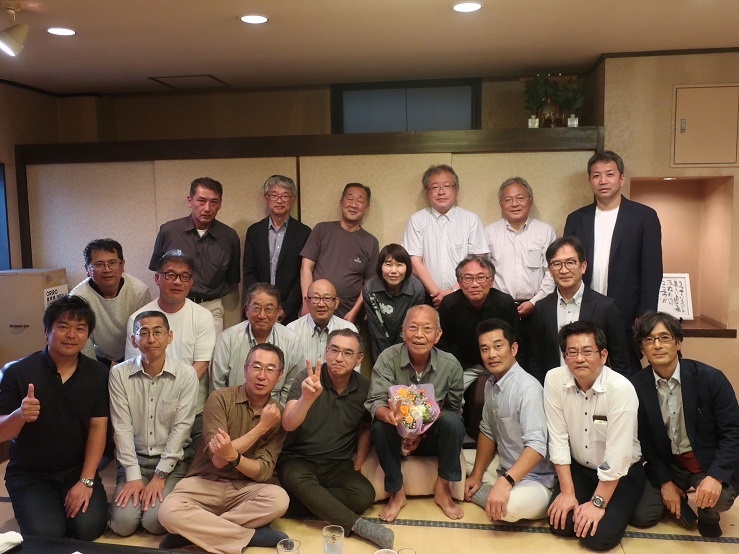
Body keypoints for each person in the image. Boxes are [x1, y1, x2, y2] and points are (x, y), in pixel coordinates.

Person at [158, 344, 290, 553]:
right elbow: (218, 460)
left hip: (245, 488)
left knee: (279, 499)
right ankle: (250, 536)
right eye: (256, 367)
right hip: (205, 482)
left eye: (270, 369)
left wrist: (233, 456)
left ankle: (190, 532)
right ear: (245, 369)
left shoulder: (278, 415)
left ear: (280, 376)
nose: (262, 375)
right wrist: (261, 427)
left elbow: (263, 471)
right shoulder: (220, 398)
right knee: (167, 512)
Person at [0, 295, 108, 540]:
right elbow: (3, 433)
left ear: (88, 335)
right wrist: (20, 415)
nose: (71, 335)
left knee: (89, 528)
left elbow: (98, 429)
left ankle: (57, 508)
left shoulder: (98, 373)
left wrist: (86, 481)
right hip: (30, 474)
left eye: (80, 328)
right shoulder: (17, 372)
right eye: (63, 326)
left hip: (75, 470)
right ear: (47, 331)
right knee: (47, 535)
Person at [279, 329, 394, 551]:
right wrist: (307, 398)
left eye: (348, 353)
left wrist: (359, 461)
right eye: (334, 350)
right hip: (298, 460)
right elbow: (288, 424)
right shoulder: (308, 378)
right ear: (326, 352)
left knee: (364, 495)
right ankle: (359, 526)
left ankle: (300, 502)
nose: (339, 358)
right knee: (297, 478)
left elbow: (366, 427)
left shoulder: (365, 388)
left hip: (337, 464)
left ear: (359, 359)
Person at [629, 311, 739, 538]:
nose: (657, 345)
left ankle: (708, 510)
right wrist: (665, 482)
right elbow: (645, 442)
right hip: (669, 464)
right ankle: (676, 497)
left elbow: (733, 432)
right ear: (642, 349)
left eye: (665, 338)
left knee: (719, 497)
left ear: (678, 343)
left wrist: (715, 477)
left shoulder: (711, 379)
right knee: (642, 515)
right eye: (649, 340)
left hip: (705, 462)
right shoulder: (636, 387)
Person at [544, 321, 644, 551]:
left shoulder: (621, 389)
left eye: (588, 351)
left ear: (604, 355)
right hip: (581, 468)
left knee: (596, 538)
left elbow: (618, 456)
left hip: (621, 473)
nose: (579, 359)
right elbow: (558, 438)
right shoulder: (554, 379)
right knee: (561, 524)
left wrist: (597, 504)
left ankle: (624, 504)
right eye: (572, 352)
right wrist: (567, 492)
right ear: (564, 356)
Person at [366, 305, 465, 523]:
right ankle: (396, 492)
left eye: (427, 329)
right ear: (403, 331)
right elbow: (375, 401)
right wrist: (388, 415)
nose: (419, 335)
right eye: (413, 327)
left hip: (430, 438)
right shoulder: (388, 358)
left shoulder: (450, 365)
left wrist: (422, 433)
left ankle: (443, 490)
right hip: (396, 435)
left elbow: (453, 408)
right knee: (380, 426)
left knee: (454, 422)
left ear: (438, 334)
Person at [564, 151, 663, 366]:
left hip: (627, 316)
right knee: (583, 369)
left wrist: (645, 317)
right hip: (584, 313)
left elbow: (652, 271)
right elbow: (568, 267)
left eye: (609, 174)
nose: (603, 181)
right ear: (590, 181)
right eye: (596, 175)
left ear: (621, 178)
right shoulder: (577, 219)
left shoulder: (644, 216)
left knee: (625, 373)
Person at [109, 310, 198, 537]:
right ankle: (136, 495)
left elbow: (181, 428)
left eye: (158, 332)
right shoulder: (119, 374)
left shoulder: (186, 375)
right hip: (134, 459)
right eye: (144, 333)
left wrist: (160, 476)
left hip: (172, 462)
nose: (151, 339)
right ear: (134, 340)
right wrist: (133, 476)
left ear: (169, 337)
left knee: (154, 522)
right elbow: (121, 427)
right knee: (123, 525)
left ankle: (164, 496)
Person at [465, 319, 555, 523]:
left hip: (536, 480)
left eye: (498, 346)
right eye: (485, 349)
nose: (491, 355)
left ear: (513, 349)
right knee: (457, 462)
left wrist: (506, 481)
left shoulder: (528, 388)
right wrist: (476, 476)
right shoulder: (490, 383)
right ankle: (487, 490)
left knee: (507, 508)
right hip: (505, 467)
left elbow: (537, 447)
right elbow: (487, 431)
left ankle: (492, 495)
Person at [126, 250, 216, 444]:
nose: (177, 282)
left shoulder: (202, 316)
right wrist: (160, 402)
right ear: (157, 278)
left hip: (192, 408)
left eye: (184, 276)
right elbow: (135, 367)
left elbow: (201, 364)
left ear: (191, 282)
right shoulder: (138, 319)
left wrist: (174, 396)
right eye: (170, 275)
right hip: (149, 409)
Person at [527, 236, 632, 383]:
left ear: (583, 266)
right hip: (555, 390)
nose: (564, 270)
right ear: (549, 270)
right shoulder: (542, 308)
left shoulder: (606, 308)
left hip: (597, 390)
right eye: (556, 264)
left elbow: (621, 363)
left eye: (570, 262)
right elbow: (535, 361)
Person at [149, 176, 241, 333]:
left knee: (211, 349)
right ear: (190, 201)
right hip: (173, 305)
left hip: (211, 307)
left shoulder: (229, 237)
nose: (207, 208)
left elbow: (232, 278)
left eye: (213, 202)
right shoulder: (169, 231)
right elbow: (158, 270)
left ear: (220, 204)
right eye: (201, 201)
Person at [485, 177, 555, 369]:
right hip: (501, 309)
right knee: (504, 361)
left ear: (530, 201)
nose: (514, 204)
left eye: (520, 198)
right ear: (501, 204)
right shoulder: (489, 233)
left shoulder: (545, 231)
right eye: (508, 199)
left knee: (537, 361)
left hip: (538, 308)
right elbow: (484, 273)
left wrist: (534, 302)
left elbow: (552, 272)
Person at [402, 164, 489, 307]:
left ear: (456, 189)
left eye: (447, 186)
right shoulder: (416, 220)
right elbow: (414, 262)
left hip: (464, 295)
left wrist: (453, 292)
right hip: (428, 297)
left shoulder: (471, 220)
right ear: (427, 191)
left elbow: (479, 262)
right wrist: (437, 294)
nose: (441, 192)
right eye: (435, 187)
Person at [211, 282, 302, 407]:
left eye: (269, 309)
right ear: (246, 309)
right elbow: (218, 386)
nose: (262, 315)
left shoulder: (292, 341)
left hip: (275, 410)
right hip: (232, 410)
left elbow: (291, 389)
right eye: (256, 308)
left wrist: (279, 413)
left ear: (278, 312)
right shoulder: (227, 339)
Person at [300, 182, 379, 323]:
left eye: (360, 201)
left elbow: (369, 283)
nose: (353, 205)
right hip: (315, 311)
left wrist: (354, 312)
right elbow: (306, 267)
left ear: (367, 208)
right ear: (341, 203)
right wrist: (307, 303)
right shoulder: (321, 230)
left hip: (347, 316)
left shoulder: (371, 242)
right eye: (350, 199)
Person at [438, 254, 519, 389]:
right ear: (459, 282)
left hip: (499, 362)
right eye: (468, 278)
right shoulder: (449, 304)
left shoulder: (505, 303)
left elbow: (516, 338)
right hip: (462, 364)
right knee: (445, 393)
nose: (475, 284)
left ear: (491, 281)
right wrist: (451, 366)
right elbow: (442, 341)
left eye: (481, 277)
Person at [71, 238, 152, 367]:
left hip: (133, 350)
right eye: (99, 264)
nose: (107, 269)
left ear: (122, 265)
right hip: (99, 353)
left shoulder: (139, 291)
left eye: (112, 263)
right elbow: (83, 341)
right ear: (87, 269)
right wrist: (93, 371)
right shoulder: (78, 297)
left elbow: (144, 333)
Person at [243, 175, 312, 324]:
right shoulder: (254, 231)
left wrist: (286, 309)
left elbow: (302, 274)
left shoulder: (304, 233)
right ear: (266, 198)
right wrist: (261, 304)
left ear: (293, 200)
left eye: (285, 196)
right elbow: (249, 272)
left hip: (291, 312)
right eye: (274, 195)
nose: (279, 200)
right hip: (258, 310)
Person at [362, 243, 425, 360]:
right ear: (380, 266)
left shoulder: (416, 289)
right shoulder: (369, 288)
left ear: (407, 267)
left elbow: (410, 326)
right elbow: (375, 328)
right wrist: (386, 358)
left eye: (399, 265)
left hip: (407, 345)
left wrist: (396, 355)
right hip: (379, 346)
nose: (394, 271)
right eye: (388, 264)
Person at [286, 279, 358, 367]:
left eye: (327, 299)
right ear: (307, 302)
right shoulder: (292, 330)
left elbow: (354, 370)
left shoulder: (349, 330)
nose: (321, 304)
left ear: (336, 303)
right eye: (316, 298)